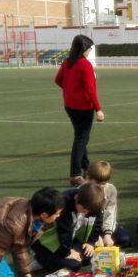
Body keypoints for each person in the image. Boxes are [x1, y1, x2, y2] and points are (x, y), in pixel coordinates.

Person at [54, 34, 104, 185]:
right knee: (81, 139)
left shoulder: (67, 62)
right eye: (89, 48)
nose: (89, 51)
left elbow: (58, 80)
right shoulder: (85, 64)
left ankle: (86, 167)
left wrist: (70, 92)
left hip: (70, 106)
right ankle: (76, 174)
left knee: (81, 137)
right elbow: (90, 90)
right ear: (84, 49)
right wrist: (98, 110)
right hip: (83, 107)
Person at [32, 182, 106, 273]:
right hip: (48, 242)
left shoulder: (92, 204)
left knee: (88, 257)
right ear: (76, 198)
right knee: (74, 265)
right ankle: (41, 259)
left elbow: (98, 221)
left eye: (88, 211)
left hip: (70, 239)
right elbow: (64, 232)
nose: (86, 213)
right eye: (84, 210)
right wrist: (68, 252)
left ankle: (57, 259)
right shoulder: (64, 203)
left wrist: (91, 242)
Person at [85, 160, 130, 248]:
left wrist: (107, 234)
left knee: (124, 240)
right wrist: (95, 237)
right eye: (97, 183)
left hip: (104, 224)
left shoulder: (111, 189)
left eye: (104, 184)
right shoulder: (83, 192)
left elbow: (111, 213)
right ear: (88, 179)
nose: (101, 187)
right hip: (87, 226)